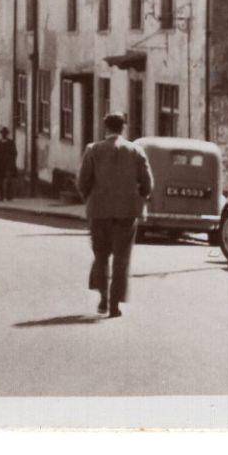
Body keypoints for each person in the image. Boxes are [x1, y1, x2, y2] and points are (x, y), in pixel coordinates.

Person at [77, 112, 153, 318]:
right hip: (126, 213)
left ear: (106, 128)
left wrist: (91, 199)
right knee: (121, 259)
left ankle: (103, 297)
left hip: (99, 212)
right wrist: (139, 198)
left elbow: (82, 182)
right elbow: (148, 183)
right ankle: (115, 304)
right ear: (123, 128)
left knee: (101, 256)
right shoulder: (136, 151)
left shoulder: (93, 150)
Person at [0, 126, 18, 201]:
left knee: (8, 180)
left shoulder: (11, 143)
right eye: (3, 133)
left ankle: (8, 195)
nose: (4, 135)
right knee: (0, 181)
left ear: (7, 134)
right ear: (1, 134)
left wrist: (12, 162)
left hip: (8, 165)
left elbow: (14, 153)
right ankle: (1, 196)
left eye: (5, 133)